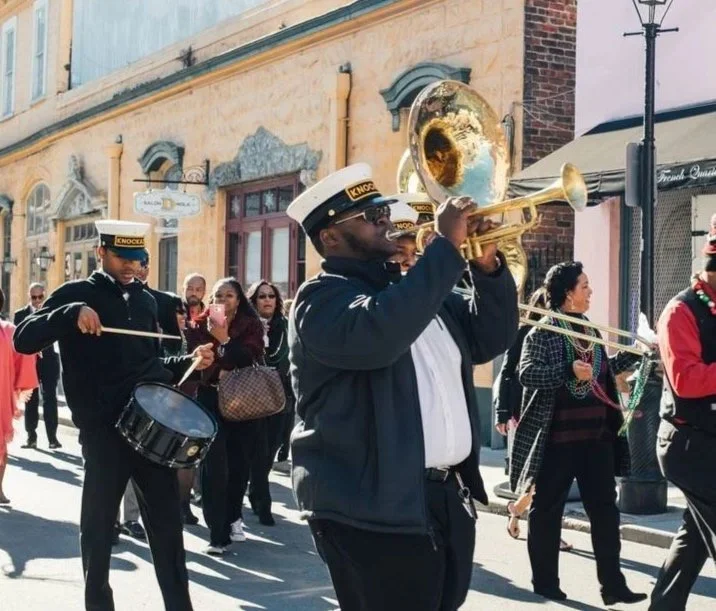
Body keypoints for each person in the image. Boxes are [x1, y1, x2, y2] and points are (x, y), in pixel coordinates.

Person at [285, 163, 518, 611]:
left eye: (384, 212)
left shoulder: (416, 295)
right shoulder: (320, 299)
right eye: (370, 217)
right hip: (368, 508)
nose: (386, 221)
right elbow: (379, 335)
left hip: (441, 496)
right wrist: (444, 249)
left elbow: (492, 338)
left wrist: (486, 266)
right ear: (330, 237)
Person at [13, 220, 214, 611]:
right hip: (103, 431)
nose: (131, 267)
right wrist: (70, 313)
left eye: (137, 259)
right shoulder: (74, 293)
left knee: (168, 534)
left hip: (150, 429)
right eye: (122, 258)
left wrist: (190, 362)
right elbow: (24, 339)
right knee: (99, 532)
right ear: (101, 252)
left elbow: (152, 368)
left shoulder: (147, 301)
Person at [509, 261, 646, 605]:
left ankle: (613, 586)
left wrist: (637, 355)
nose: (590, 291)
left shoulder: (589, 329)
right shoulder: (542, 331)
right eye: (584, 286)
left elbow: (601, 371)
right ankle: (545, 584)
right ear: (568, 293)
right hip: (557, 441)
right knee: (547, 511)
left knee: (605, 512)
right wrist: (568, 370)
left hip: (596, 439)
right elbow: (527, 374)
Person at [649, 227, 716, 610]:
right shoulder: (681, 311)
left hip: (709, 440)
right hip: (688, 445)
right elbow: (687, 381)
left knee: (693, 540)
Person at [185, 278, 264, 555]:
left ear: (239, 300)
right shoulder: (198, 324)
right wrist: (222, 366)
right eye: (218, 295)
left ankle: (233, 517)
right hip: (210, 399)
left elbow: (249, 357)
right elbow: (198, 363)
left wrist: (224, 340)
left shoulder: (251, 324)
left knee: (239, 465)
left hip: (244, 401)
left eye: (229, 295)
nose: (223, 300)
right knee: (214, 467)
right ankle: (217, 534)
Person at [494, 287, 572, 551]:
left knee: (542, 477)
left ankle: (517, 509)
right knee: (542, 476)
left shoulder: (564, 334)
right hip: (527, 411)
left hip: (555, 412)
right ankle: (545, 530)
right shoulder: (527, 332)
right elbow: (506, 372)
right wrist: (502, 412)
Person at [246, 279, 294, 526]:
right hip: (251, 396)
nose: (267, 300)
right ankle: (263, 503)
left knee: (270, 450)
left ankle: (256, 489)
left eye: (271, 296)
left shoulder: (285, 326)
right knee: (257, 449)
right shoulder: (246, 326)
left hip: (281, 395)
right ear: (254, 301)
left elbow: (285, 357)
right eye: (262, 296)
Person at [0, 287, 38, 503]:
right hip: (1, 398)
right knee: (1, 445)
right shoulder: (9, 331)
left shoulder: (9, 330)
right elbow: (25, 353)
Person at [14, 283, 61, 449]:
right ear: (29, 296)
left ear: (44, 295)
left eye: (40, 297)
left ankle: (52, 438)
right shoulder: (20, 315)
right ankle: (31, 437)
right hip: (30, 362)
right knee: (31, 399)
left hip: (49, 361)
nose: (37, 301)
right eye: (34, 297)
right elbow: (18, 339)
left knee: (50, 398)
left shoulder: (52, 312)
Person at [136, 250, 182, 354]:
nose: (137, 270)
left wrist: (160, 336)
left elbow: (176, 343)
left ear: (147, 270)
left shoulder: (165, 301)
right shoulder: (114, 297)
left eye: (141, 266)